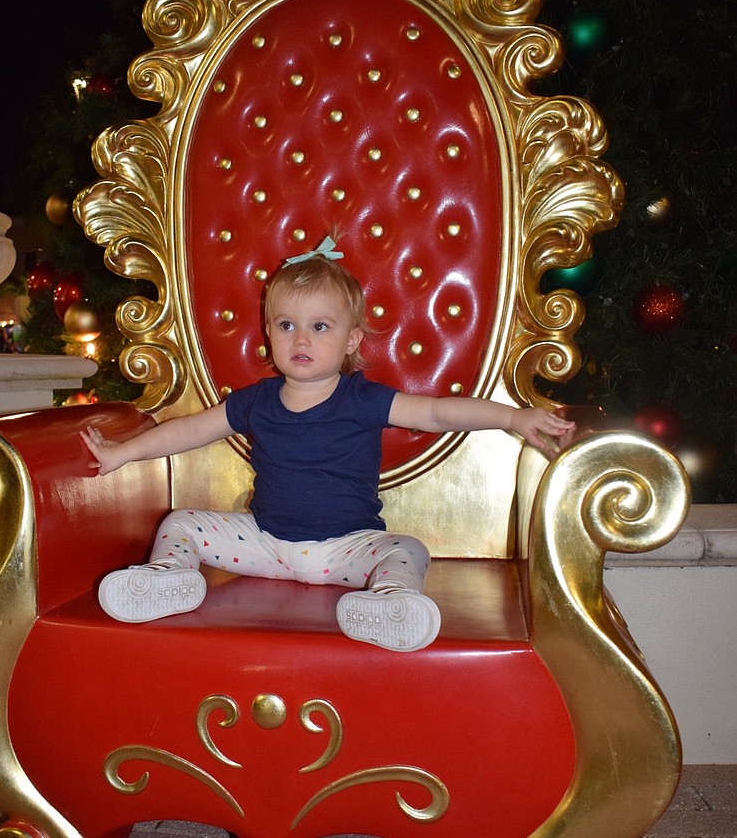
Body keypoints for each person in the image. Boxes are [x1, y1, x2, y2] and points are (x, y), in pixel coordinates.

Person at [80, 236, 574, 652]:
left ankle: (388, 602)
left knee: (408, 547)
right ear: (268, 332)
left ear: (352, 340)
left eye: (320, 327)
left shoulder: (363, 399)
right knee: (181, 521)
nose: (302, 339)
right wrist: (123, 452)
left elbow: (438, 411)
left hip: (347, 552)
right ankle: (169, 578)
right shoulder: (256, 401)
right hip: (266, 544)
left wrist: (513, 417)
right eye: (286, 325)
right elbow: (187, 430)